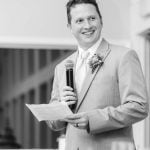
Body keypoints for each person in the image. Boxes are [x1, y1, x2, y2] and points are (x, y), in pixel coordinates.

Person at [46, 0, 149, 149]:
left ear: (101, 21)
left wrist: (92, 119)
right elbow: (54, 124)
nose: (87, 25)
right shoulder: (61, 67)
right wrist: (62, 106)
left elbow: (139, 107)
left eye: (92, 18)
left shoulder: (124, 56)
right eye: (79, 20)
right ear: (70, 27)